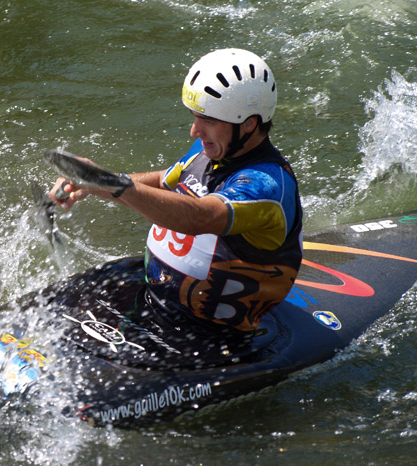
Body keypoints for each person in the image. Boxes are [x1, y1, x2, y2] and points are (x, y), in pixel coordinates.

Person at [49, 48, 303, 333]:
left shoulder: (266, 186)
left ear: (249, 124)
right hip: (153, 296)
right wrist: (97, 182)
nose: (195, 131)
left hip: (211, 332)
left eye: (208, 120)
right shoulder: (212, 150)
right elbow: (165, 182)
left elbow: (200, 217)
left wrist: (114, 185)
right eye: (196, 117)